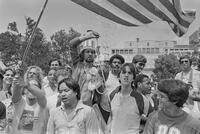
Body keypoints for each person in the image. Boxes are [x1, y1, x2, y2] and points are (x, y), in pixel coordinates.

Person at [108, 63, 150, 134]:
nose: (126, 75)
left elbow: (152, 119)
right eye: (123, 72)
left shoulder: (141, 98)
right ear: (119, 76)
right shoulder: (111, 96)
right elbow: (108, 120)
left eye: (129, 73)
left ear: (133, 77)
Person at [70, 30, 102, 105]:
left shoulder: (97, 70)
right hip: (75, 103)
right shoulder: (77, 64)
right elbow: (71, 44)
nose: (90, 54)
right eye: (87, 51)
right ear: (82, 54)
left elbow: (100, 92)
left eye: (92, 52)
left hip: (90, 106)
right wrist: (87, 37)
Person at [12, 65, 47, 134]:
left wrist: (28, 85)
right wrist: (18, 77)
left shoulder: (42, 104)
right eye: (28, 88)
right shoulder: (20, 101)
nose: (31, 90)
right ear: (25, 90)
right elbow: (15, 94)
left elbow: (41, 95)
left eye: (35, 87)